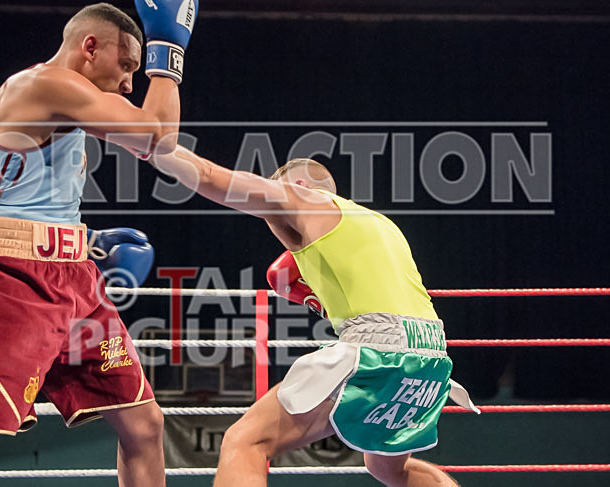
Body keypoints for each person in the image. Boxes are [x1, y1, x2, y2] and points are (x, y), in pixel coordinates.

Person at [0, 2, 198, 486]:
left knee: (143, 423)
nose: (129, 84)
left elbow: (28, 197)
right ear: (89, 47)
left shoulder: (66, 104)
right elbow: (157, 139)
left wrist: (84, 240)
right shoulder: (43, 85)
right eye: (126, 65)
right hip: (12, 278)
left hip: (73, 278)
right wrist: (167, 49)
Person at [143, 147, 479, 486]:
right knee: (389, 469)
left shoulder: (304, 200)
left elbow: (211, 177)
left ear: (300, 185)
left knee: (245, 441)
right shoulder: (379, 224)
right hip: (432, 353)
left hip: (379, 350)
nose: (274, 222)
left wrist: (157, 148)